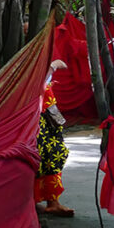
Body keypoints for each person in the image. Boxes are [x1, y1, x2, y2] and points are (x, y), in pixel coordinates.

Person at [35, 59, 74, 217]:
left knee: (55, 154)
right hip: (33, 116)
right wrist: (52, 66)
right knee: (38, 156)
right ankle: (32, 200)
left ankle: (53, 201)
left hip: (47, 114)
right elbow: (33, 79)